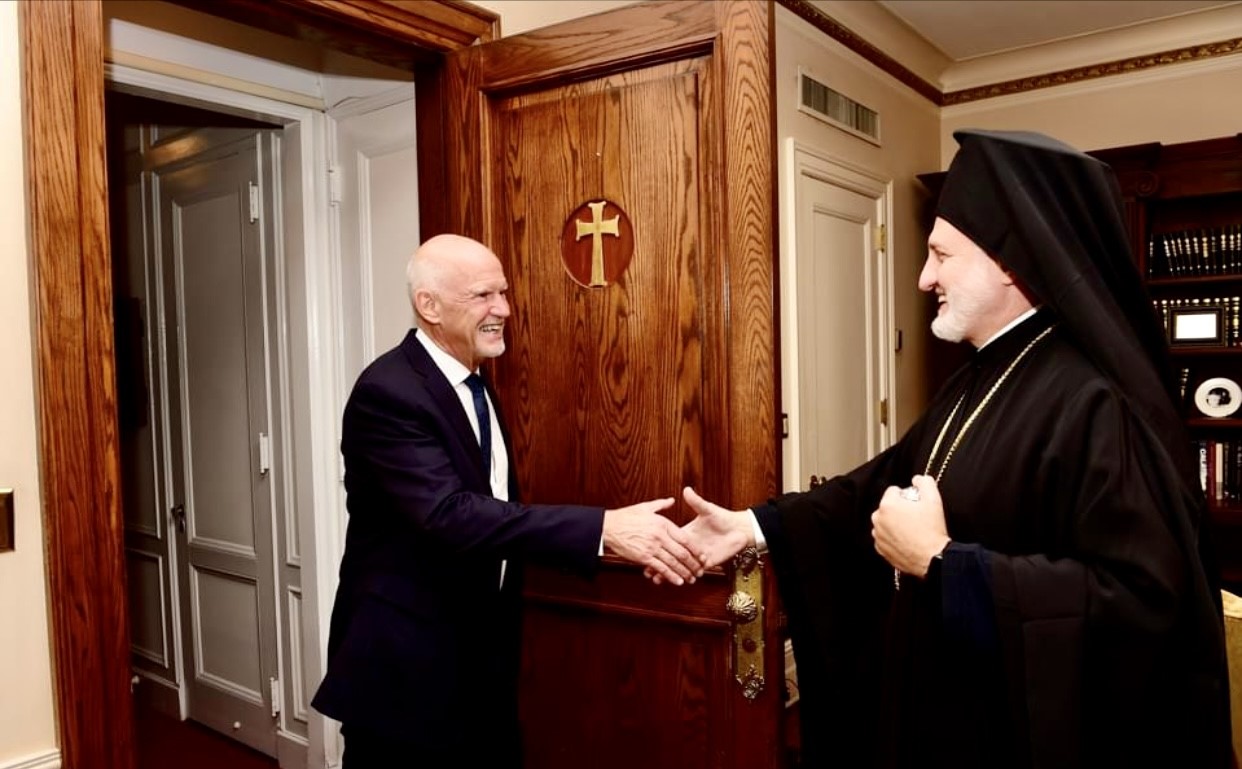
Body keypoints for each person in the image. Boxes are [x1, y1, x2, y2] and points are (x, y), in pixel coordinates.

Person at [675, 130, 1231, 768]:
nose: (923, 277)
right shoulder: (980, 376)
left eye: (941, 254)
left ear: (1011, 262)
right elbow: (878, 484)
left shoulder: (1099, 405)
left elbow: (1140, 607)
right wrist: (753, 526)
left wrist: (944, 564)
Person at [311, 233, 704, 768]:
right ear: (429, 305)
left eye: (503, 293)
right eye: (483, 296)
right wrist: (602, 529)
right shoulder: (389, 392)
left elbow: (495, 508)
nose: (504, 310)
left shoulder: (474, 383)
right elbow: (448, 515)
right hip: (405, 672)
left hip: (478, 664)